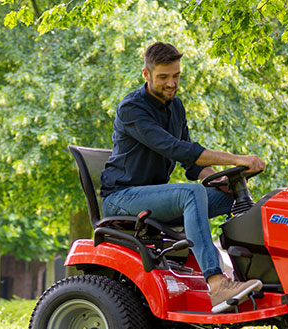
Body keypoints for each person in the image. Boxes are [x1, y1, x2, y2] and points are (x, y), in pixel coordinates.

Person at [101, 41, 265, 313]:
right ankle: (216, 283)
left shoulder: (176, 108)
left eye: (176, 76)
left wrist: (219, 180)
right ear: (146, 74)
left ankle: (249, 275)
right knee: (191, 193)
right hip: (121, 198)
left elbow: (190, 163)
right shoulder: (132, 109)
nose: (171, 83)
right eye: (163, 77)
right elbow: (174, 148)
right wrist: (236, 159)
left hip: (151, 200)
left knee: (232, 197)